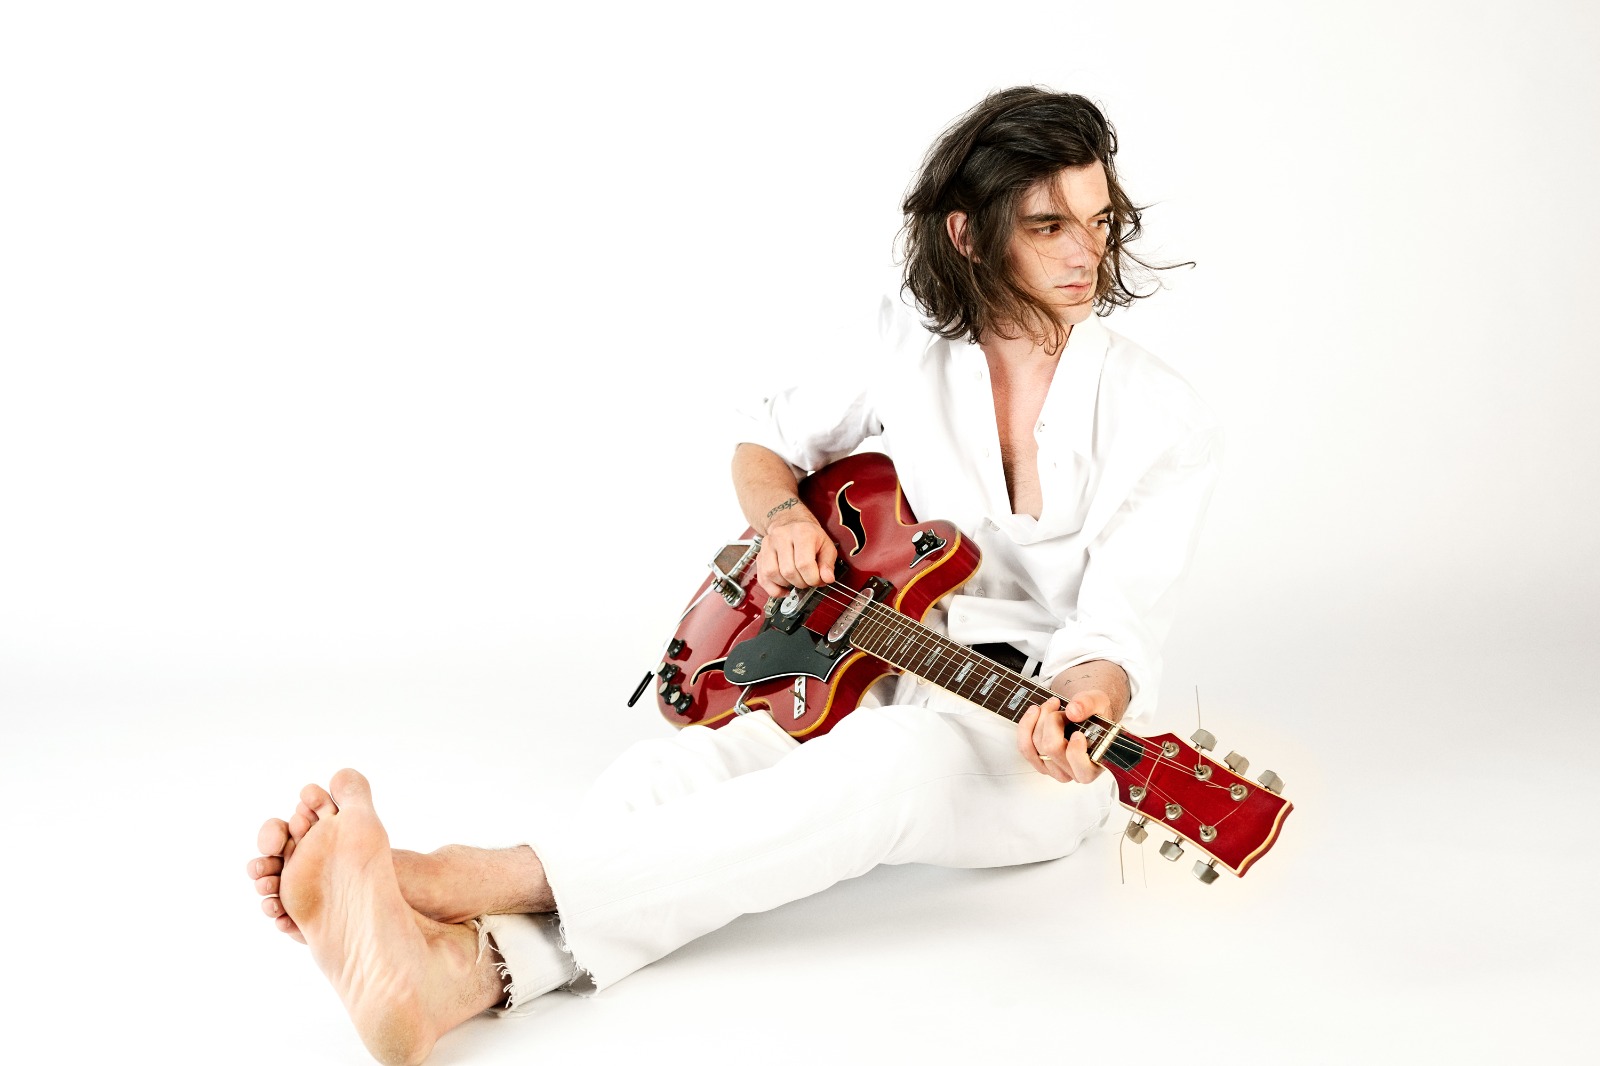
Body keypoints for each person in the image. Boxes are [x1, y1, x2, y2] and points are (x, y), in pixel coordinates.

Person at [245, 86, 1219, 1066]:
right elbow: (764, 446)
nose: (1085, 252)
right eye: (1048, 225)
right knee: (678, 771)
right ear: (967, 234)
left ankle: (467, 879)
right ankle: (452, 976)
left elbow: (1116, 629)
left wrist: (1087, 697)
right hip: (869, 666)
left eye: (1098, 221)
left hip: (1033, 732)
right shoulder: (902, 342)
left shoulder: (1158, 412)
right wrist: (785, 519)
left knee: (888, 766)